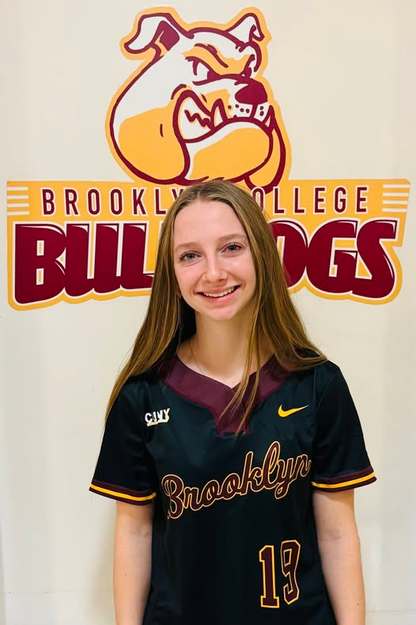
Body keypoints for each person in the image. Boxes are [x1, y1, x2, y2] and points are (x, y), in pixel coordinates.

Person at [89, 180, 376, 625]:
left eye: (231, 247)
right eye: (190, 255)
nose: (213, 272)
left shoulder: (318, 385)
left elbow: (337, 534)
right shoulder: (142, 396)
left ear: (259, 252)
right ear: (172, 273)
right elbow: (135, 531)